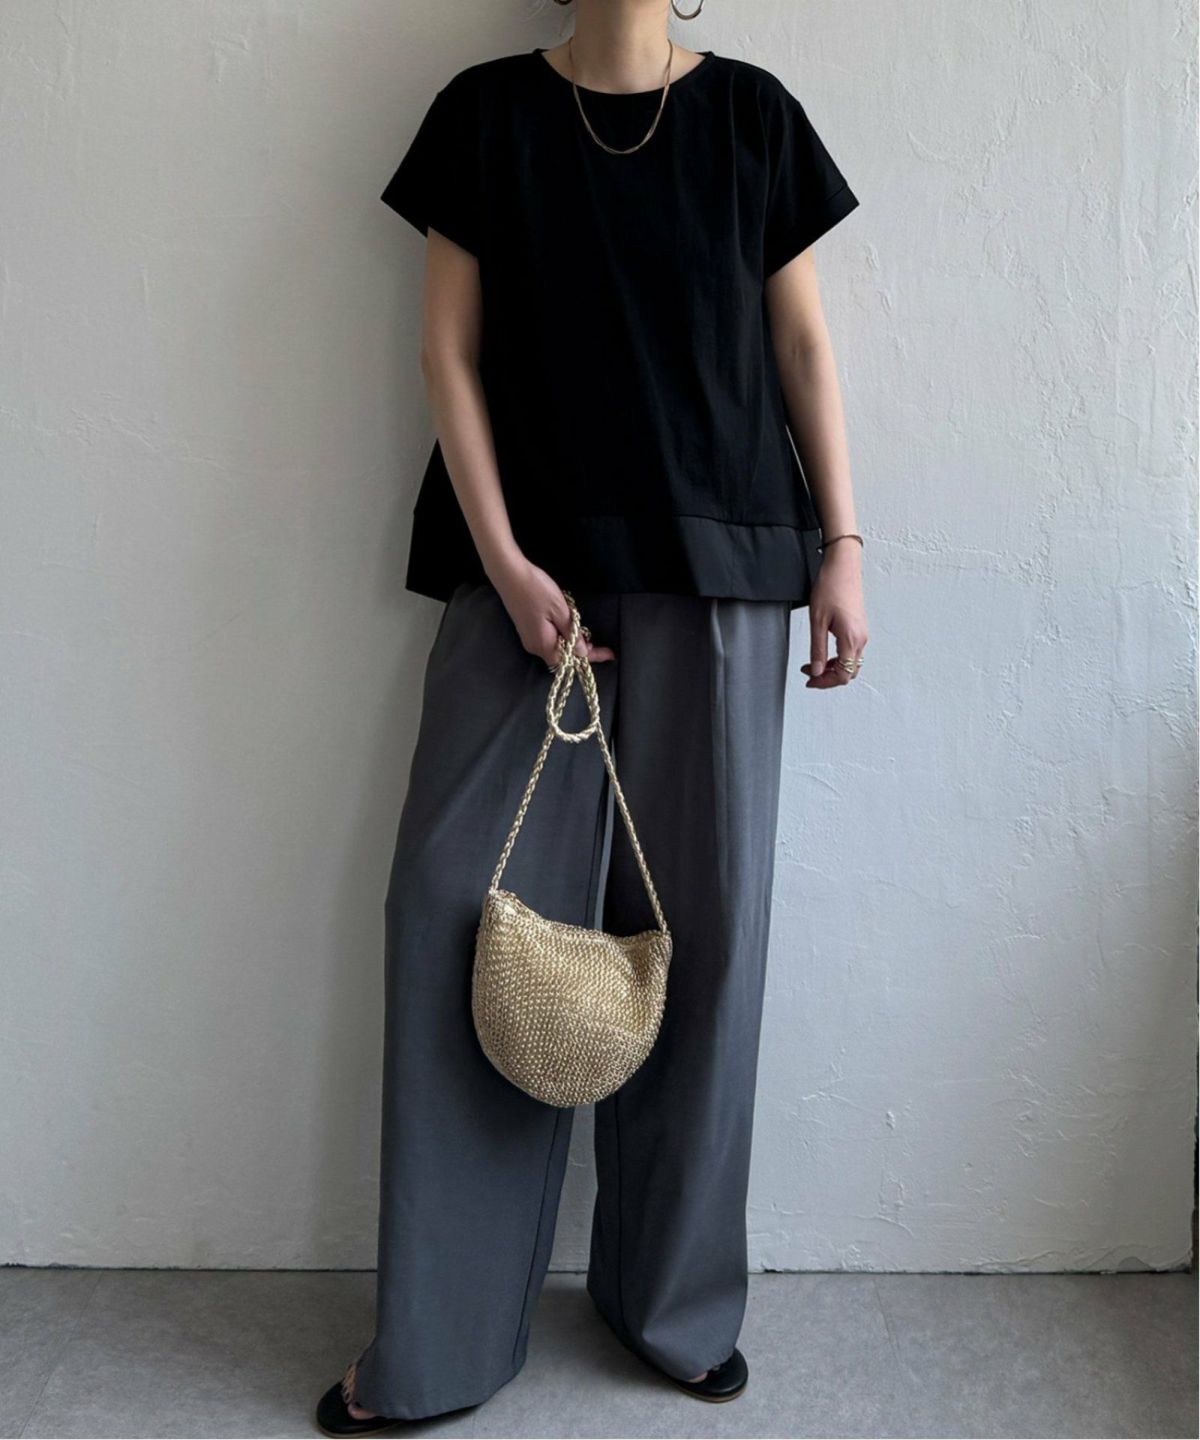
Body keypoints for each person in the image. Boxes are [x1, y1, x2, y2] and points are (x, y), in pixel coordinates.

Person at [316, 2, 868, 1432]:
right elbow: (448, 356)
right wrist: (503, 563)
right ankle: (439, 1340)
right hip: (526, 582)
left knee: (706, 935)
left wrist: (844, 547)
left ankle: (669, 1304)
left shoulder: (754, 118)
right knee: (451, 911)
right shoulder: (486, 115)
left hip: (726, 570)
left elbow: (802, 347)